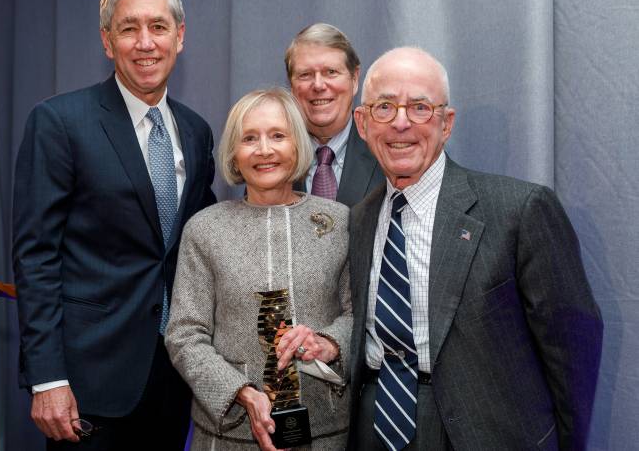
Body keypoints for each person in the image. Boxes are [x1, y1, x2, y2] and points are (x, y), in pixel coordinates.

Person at [347, 47, 603, 450]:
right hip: (375, 426)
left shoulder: (519, 210)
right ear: (362, 123)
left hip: (486, 434)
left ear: (446, 124)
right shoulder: (359, 220)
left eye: (420, 107)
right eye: (384, 107)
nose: (400, 123)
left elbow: (571, 346)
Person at [12, 0, 215, 449]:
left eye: (158, 27)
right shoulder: (59, 122)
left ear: (180, 36)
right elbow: (35, 256)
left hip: (173, 378)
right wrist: (47, 378)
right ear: (107, 41)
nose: (146, 42)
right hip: (88, 385)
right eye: (129, 29)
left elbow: (198, 245)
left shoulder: (197, 131)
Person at [166, 88, 352, 450]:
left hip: (325, 433)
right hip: (229, 435)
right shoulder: (205, 229)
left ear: (298, 145)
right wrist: (242, 394)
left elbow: (359, 315)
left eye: (278, 136)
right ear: (234, 154)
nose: (264, 150)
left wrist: (328, 343)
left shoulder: (338, 222)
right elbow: (185, 335)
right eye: (249, 138)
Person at [285, 23, 383, 206]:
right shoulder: (274, 158)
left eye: (331, 72)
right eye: (305, 74)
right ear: (292, 87)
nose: (318, 85)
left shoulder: (386, 149)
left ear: (354, 80)